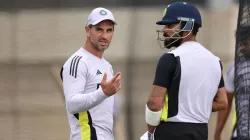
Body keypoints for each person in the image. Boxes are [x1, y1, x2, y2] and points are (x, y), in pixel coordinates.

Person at [141, 1, 228, 140]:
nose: (165, 30)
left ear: (188, 26)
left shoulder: (171, 58)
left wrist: (151, 133)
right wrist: (196, 105)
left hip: (171, 132)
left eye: (170, 25)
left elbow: (154, 103)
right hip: (201, 132)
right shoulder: (215, 61)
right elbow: (222, 102)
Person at [60, 7, 121, 140]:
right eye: (99, 29)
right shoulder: (78, 62)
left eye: (109, 30)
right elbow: (72, 104)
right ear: (88, 30)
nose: (104, 36)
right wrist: (103, 93)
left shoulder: (107, 65)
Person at [214, 27, 250, 140]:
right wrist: (218, 133)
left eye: (245, 43)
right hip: (240, 134)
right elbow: (226, 101)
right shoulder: (235, 68)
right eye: (240, 44)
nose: (242, 47)